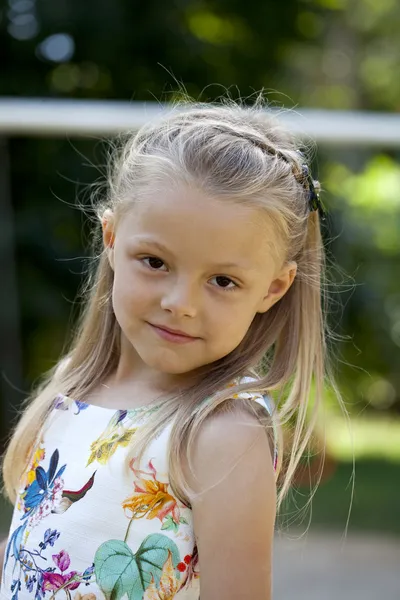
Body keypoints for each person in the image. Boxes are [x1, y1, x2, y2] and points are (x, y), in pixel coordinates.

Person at [0, 98, 331, 600]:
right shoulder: (74, 386)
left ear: (273, 288)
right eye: (154, 262)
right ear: (111, 238)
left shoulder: (221, 432)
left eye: (222, 280)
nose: (180, 303)